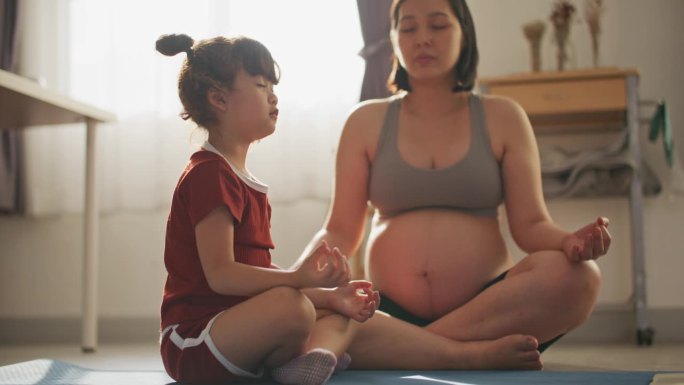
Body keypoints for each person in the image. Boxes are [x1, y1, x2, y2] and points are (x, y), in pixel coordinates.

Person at [298, 0, 611, 370]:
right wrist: (295, 280)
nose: (423, 39)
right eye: (409, 28)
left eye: (438, 26)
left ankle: (411, 351)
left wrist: (568, 242)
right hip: (383, 309)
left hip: (485, 310)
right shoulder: (365, 120)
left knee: (579, 277)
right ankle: (465, 355)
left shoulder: (503, 116)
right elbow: (339, 230)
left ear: (465, 34)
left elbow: (531, 226)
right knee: (300, 308)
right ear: (394, 40)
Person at [156, 33, 380, 385]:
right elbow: (223, 275)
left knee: (339, 311)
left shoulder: (240, 179)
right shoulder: (209, 174)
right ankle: (292, 363)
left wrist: (329, 297)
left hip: (233, 328)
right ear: (219, 98)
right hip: (194, 343)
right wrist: (297, 279)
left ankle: (295, 363)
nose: (274, 96)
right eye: (261, 85)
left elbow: (255, 277)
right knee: (292, 306)